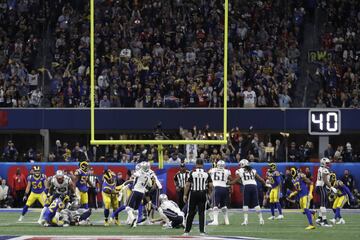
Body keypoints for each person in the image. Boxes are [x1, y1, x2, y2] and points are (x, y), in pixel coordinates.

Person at [230, 159, 265, 225]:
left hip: (247, 186)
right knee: (256, 204)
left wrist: (229, 183)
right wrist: (265, 184)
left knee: (245, 204)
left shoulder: (239, 171)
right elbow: (261, 179)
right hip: (254, 186)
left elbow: (236, 180)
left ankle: (246, 220)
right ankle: (261, 219)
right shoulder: (253, 170)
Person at [183, 159, 213, 236]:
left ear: (196, 164)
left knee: (190, 213)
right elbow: (210, 185)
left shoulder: (192, 172)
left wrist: (185, 194)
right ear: (203, 164)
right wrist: (209, 194)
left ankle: (187, 231)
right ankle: (202, 231)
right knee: (202, 213)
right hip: (203, 193)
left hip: (194, 193)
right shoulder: (206, 173)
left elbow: (187, 185)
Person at [126, 162, 152, 228]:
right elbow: (150, 184)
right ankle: (135, 224)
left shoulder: (139, 172)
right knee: (136, 209)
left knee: (128, 207)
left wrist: (134, 174)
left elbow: (134, 175)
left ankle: (132, 219)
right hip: (142, 193)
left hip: (135, 191)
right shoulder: (148, 175)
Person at [208, 160, 232, 225]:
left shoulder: (212, 170)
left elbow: (208, 175)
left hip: (216, 188)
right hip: (224, 188)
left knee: (215, 205)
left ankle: (215, 221)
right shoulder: (227, 171)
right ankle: (227, 221)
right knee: (223, 205)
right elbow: (230, 179)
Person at [315, 158, 337, 227]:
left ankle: (319, 219)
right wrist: (331, 187)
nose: (328, 164)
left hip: (320, 186)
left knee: (324, 203)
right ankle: (324, 221)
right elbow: (324, 179)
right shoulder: (324, 169)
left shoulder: (320, 168)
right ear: (323, 163)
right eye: (327, 163)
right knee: (323, 204)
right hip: (321, 187)